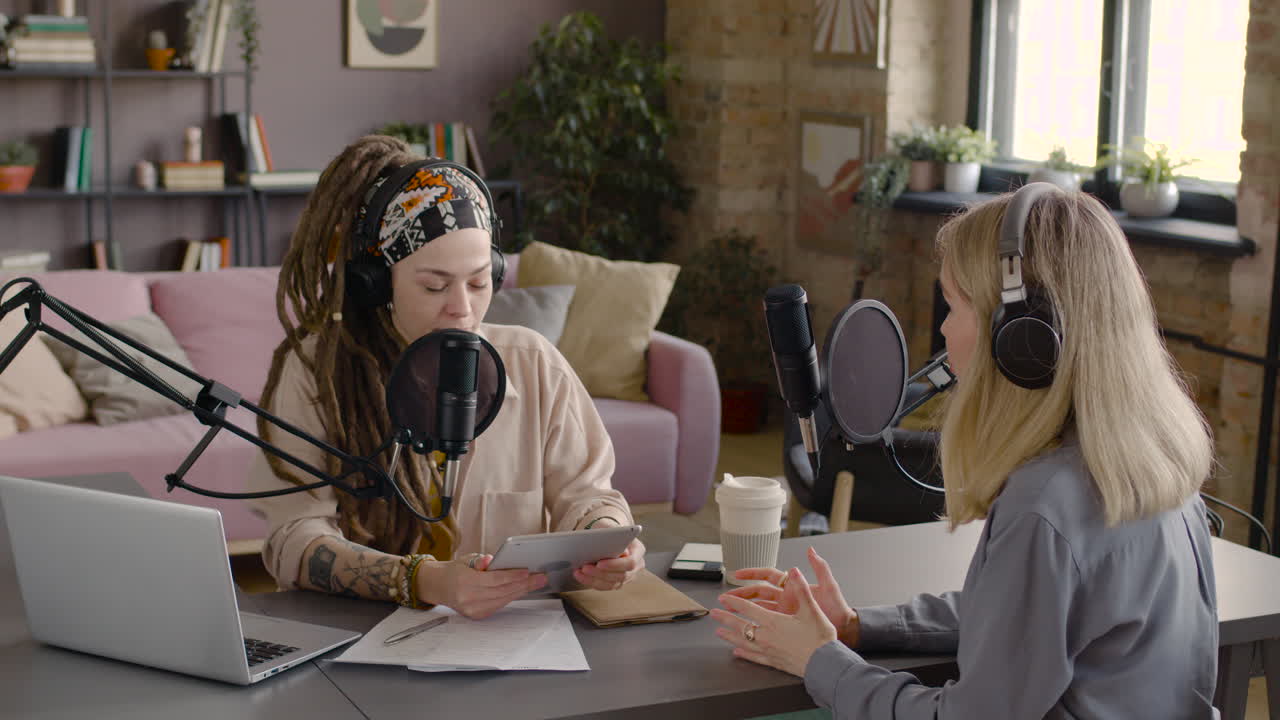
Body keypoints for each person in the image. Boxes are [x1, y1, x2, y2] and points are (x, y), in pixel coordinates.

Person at [712, 185, 1219, 718]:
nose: (944, 330)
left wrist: (820, 660)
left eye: (953, 306)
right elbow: (1022, 621)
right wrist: (860, 626)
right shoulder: (1156, 465)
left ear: (1023, 337)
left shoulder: (1043, 507)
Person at [247, 135, 644, 619]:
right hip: (362, 647)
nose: (462, 309)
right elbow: (292, 543)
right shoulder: (316, 373)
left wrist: (607, 541)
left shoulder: (534, 362)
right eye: (434, 286)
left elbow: (588, 496)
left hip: (513, 646)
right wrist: (424, 581)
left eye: (479, 282)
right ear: (375, 282)